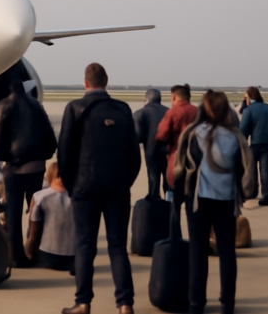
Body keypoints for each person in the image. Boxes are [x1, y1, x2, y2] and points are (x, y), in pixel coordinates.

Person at [57, 63, 141, 314]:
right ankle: (125, 304)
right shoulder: (123, 109)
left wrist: (73, 186)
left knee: (85, 246)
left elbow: (64, 153)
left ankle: (83, 302)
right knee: (118, 247)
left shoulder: (75, 108)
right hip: (117, 189)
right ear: (107, 81)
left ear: (85, 83)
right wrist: (124, 183)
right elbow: (134, 156)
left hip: (85, 188)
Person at [174, 90, 256, 314]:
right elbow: (242, 170)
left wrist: (177, 195)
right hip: (227, 201)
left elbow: (183, 168)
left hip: (198, 201)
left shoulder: (193, 133)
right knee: (227, 253)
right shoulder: (235, 136)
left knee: (198, 253)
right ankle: (227, 304)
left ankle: (196, 304)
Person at [0, 79, 57, 267]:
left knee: (13, 212)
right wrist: (43, 154)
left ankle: (16, 257)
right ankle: (38, 250)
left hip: (15, 168)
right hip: (37, 166)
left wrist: (6, 158)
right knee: (36, 210)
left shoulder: (4, 105)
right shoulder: (36, 104)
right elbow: (50, 136)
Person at [25, 162, 76, 273]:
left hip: (48, 258)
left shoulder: (39, 197)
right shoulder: (80, 197)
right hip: (75, 258)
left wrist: (30, 254)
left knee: (32, 226)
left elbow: (34, 234)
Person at [156, 84, 198, 193]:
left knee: (174, 193)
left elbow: (162, 135)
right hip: (196, 157)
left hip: (176, 157)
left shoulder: (172, 112)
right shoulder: (198, 112)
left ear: (174, 97)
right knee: (191, 194)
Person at [133, 88, 170, 199]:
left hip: (151, 150)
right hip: (169, 151)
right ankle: (169, 202)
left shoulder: (141, 113)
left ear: (146, 100)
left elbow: (136, 136)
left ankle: (154, 201)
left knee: (153, 177)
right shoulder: (169, 112)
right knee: (168, 179)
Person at [239, 86, 268, 206]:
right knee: (265, 170)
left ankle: (251, 192)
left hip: (254, 143)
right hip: (267, 142)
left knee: (250, 169)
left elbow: (242, 129)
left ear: (249, 96)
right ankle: (266, 196)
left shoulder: (249, 110)